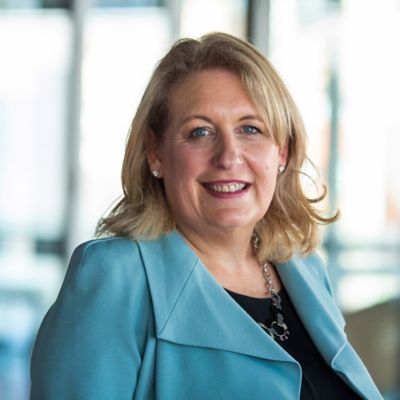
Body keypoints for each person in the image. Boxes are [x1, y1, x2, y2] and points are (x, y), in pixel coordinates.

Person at [30, 32, 382, 400]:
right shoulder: (113, 277)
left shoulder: (305, 269)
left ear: (282, 151)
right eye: (200, 132)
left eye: (250, 129)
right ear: (156, 153)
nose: (229, 157)